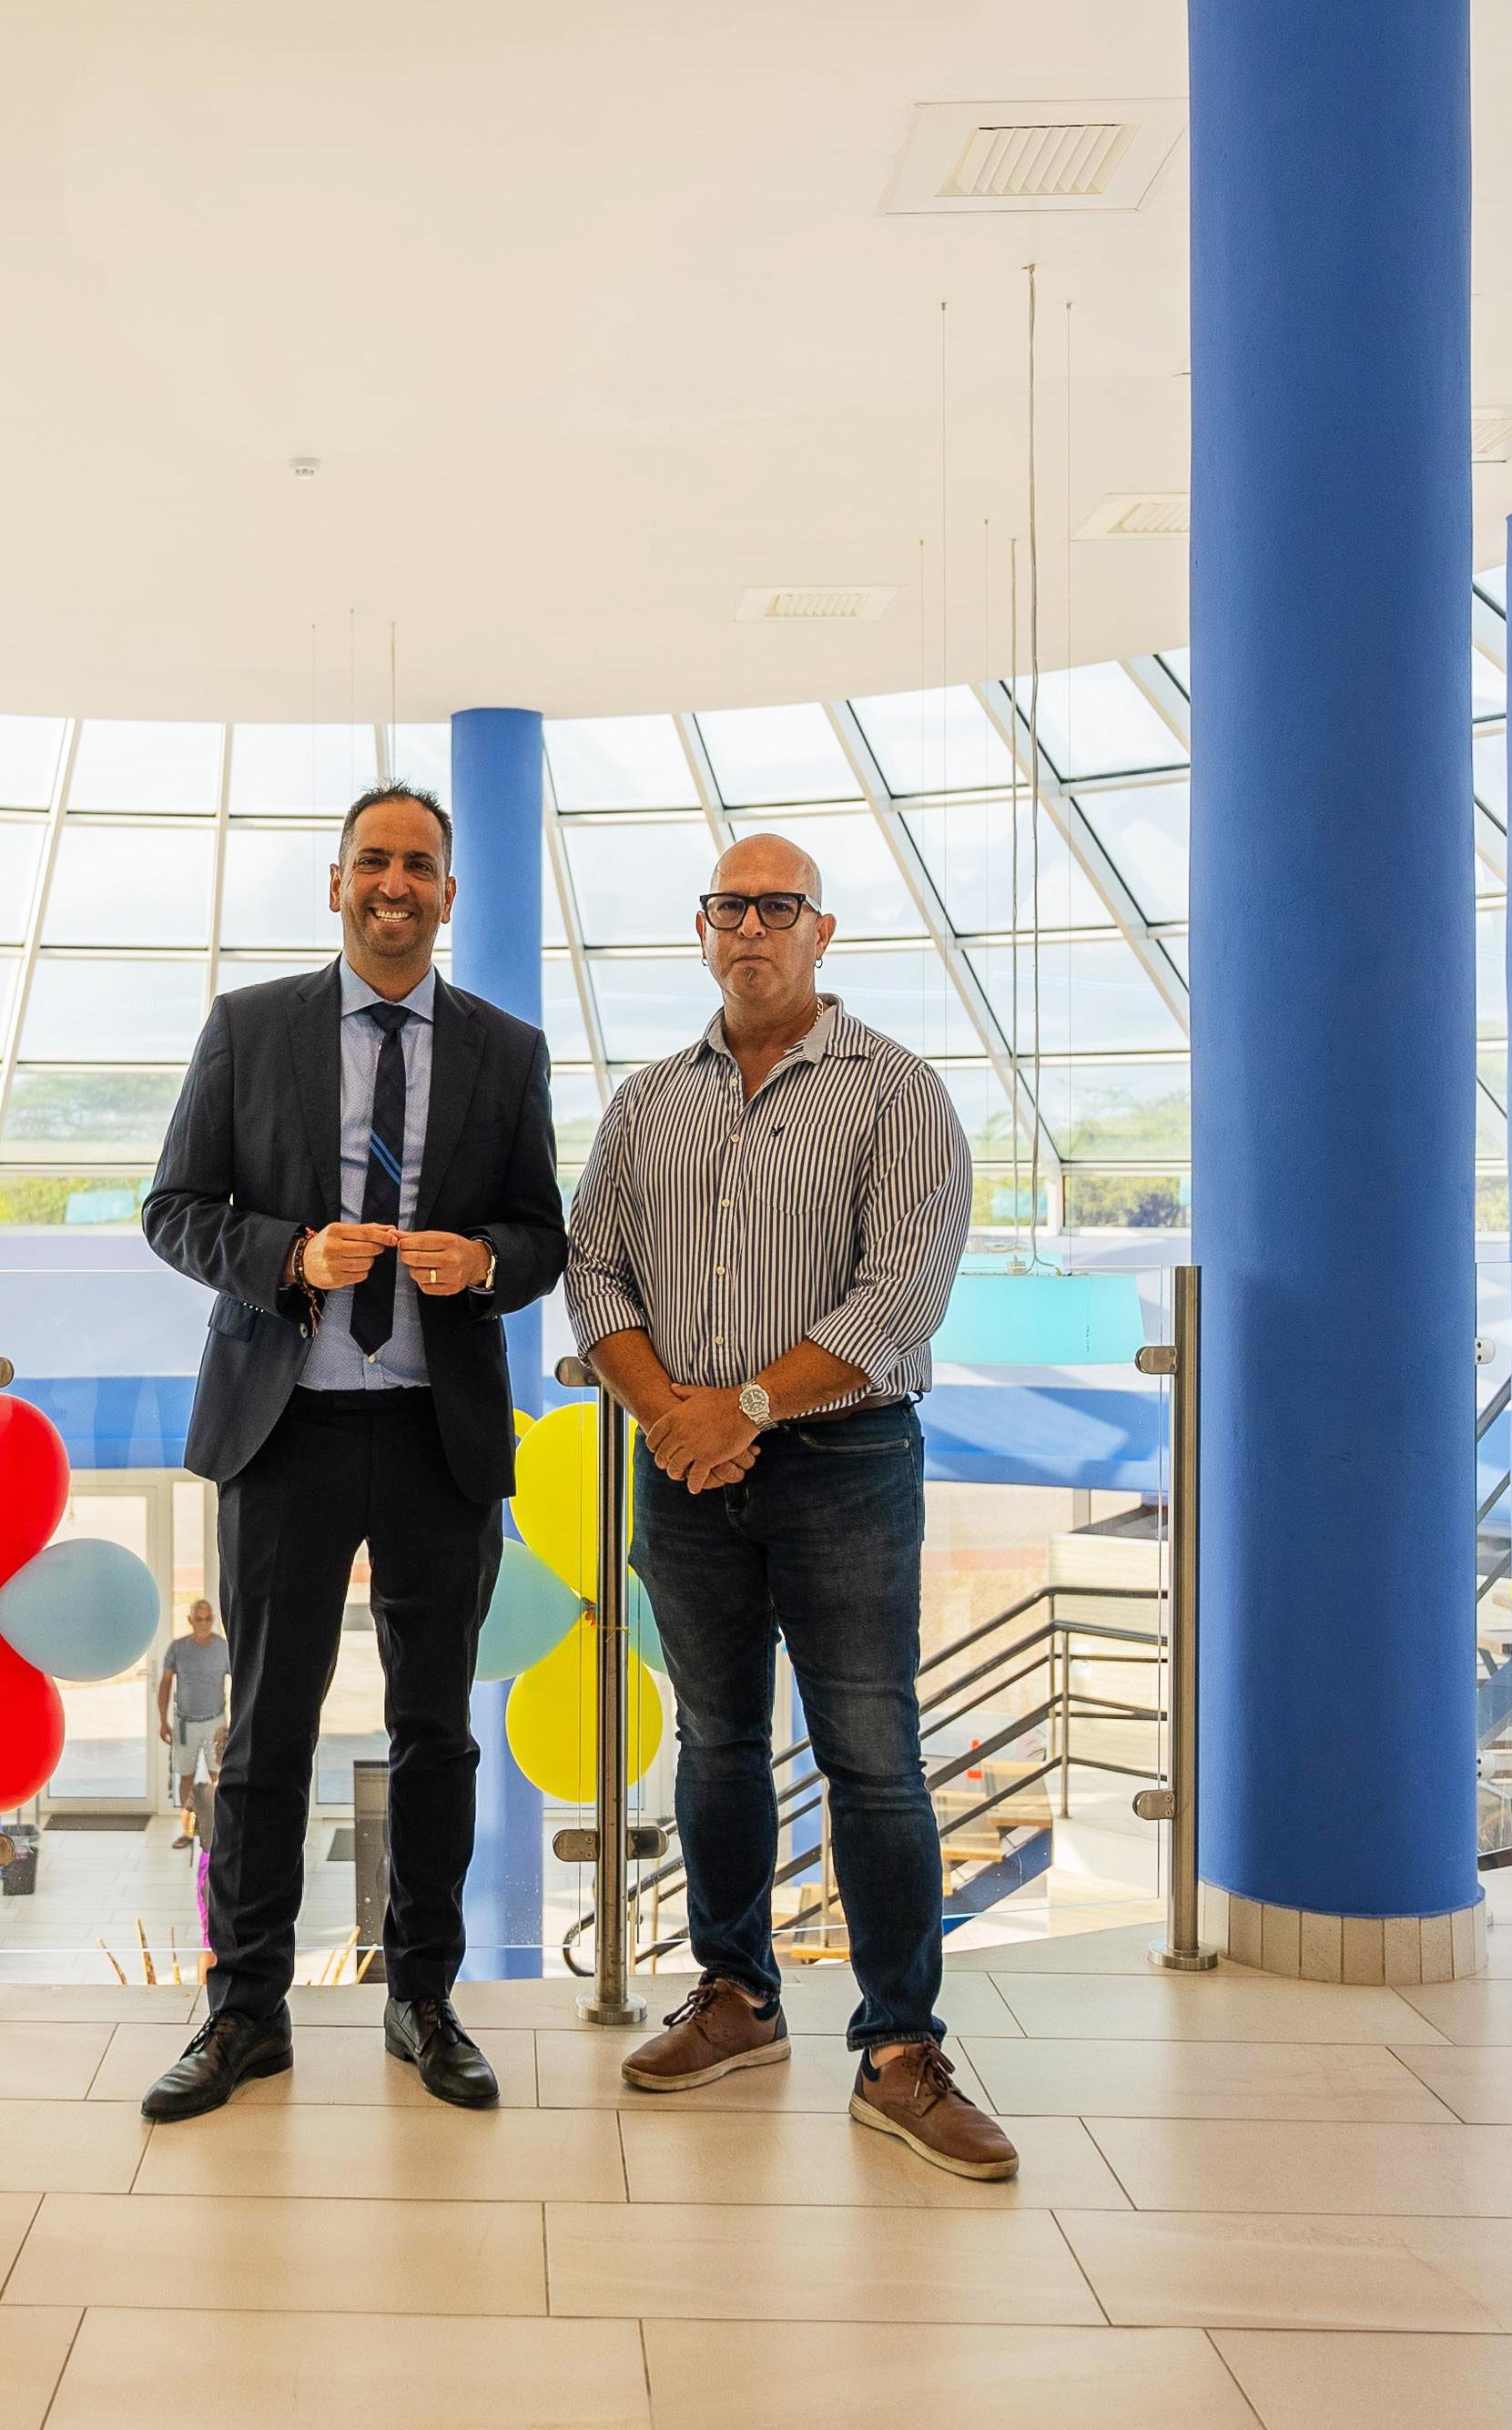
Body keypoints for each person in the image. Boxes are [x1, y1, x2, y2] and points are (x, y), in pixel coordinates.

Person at [562, 831, 1013, 2181]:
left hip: (843, 1462)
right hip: (681, 1465)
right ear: (702, 931)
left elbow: (900, 1296)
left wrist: (742, 1407)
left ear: (821, 932)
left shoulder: (896, 1092)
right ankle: (736, 1997)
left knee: (871, 1751)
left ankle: (899, 2047)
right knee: (713, 1740)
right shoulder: (646, 1103)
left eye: (777, 906)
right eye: (729, 906)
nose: (750, 926)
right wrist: (672, 1413)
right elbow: (593, 1271)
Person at [137, 780, 567, 2119]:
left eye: (419, 865)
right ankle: (243, 2011)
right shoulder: (247, 1026)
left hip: (440, 1432)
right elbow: (172, 1209)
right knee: (266, 1727)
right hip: (288, 1427)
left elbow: (541, 1236)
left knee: (436, 1731)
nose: (395, 884)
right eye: (373, 861)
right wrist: (289, 1255)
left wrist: (482, 1261)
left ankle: (422, 2000)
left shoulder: (507, 1049)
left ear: (449, 894)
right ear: (336, 883)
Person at [156, 1598, 231, 1848]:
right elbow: (165, 1684)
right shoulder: (178, 1648)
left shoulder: (223, 1648)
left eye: (208, 1619)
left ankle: (219, 1829)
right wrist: (162, 1720)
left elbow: (241, 1681)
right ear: (190, 1620)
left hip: (215, 1724)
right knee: (186, 1776)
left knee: (219, 1776)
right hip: (185, 1724)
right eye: (199, 1619)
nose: (204, 1623)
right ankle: (187, 1832)